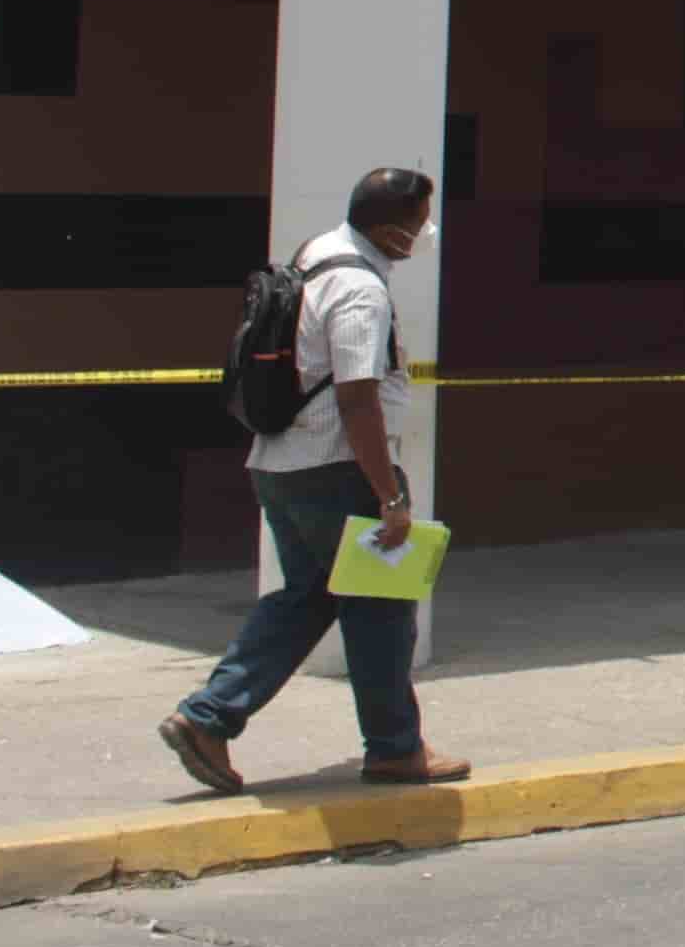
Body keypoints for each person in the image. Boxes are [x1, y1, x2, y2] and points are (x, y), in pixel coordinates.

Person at [160, 168, 465, 793]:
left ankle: (207, 718)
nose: (424, 233)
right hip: (336, 469)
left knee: (306, 597)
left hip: (278, 465)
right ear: (389, 229)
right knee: (381, 607)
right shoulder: (360, 290)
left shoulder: (313, 256)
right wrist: (392, 496)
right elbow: (358, 401)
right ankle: (395, 750)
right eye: (417, 223)